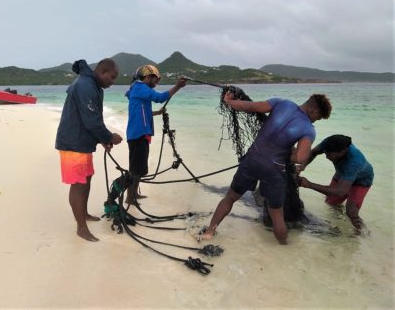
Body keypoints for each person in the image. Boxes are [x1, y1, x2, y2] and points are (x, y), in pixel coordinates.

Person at [200, 93, 332, 244]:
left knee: (230, 198)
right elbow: (301, 158)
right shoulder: (308, 129)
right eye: (318, 118)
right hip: (274, 171)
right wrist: (289, 155)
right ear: (313, 111)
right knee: (277, 215)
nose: (316, 121)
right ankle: (284, 247)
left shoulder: (281, 102)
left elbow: (251, 106)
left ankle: (210, 232)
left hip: (251, 161)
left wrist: (229, 101)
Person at [56, 58, 123, 242]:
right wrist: (109, 137)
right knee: (78, 184)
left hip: (82, 142)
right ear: (102, 72)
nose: (113, 82)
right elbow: (91, 121)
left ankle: (83, 214)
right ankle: (81, 228)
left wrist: (102, 140)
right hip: (73, 143)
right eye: (112, 77)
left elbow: (92, 119)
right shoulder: (85, 85)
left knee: (86, 178)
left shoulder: (91, 84)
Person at [125, 65, 186, 205]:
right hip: (138, 134)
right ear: (147, 77)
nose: (156, 82)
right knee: (135, 169)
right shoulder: (141, 87)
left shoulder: (138, 89)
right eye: (155, 79)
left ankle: (134, 194)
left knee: (138, 168)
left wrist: (156, 113)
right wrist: (177, 86)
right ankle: (130, 198)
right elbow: (160, 98)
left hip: (139, 133)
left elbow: (140, 112)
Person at [298, 134, 374, 231]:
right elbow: (314, 152)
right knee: (330, 202)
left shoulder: (354, 162)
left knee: (352, 213)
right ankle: (338, 217)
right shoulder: (329, 143)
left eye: (329, 154)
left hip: (361, 180)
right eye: (325, 153)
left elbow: (340, 191)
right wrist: (302, 166)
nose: (326, 156)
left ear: (342, 152)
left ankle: (361, 235)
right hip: (342, 174)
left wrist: (310, 185)